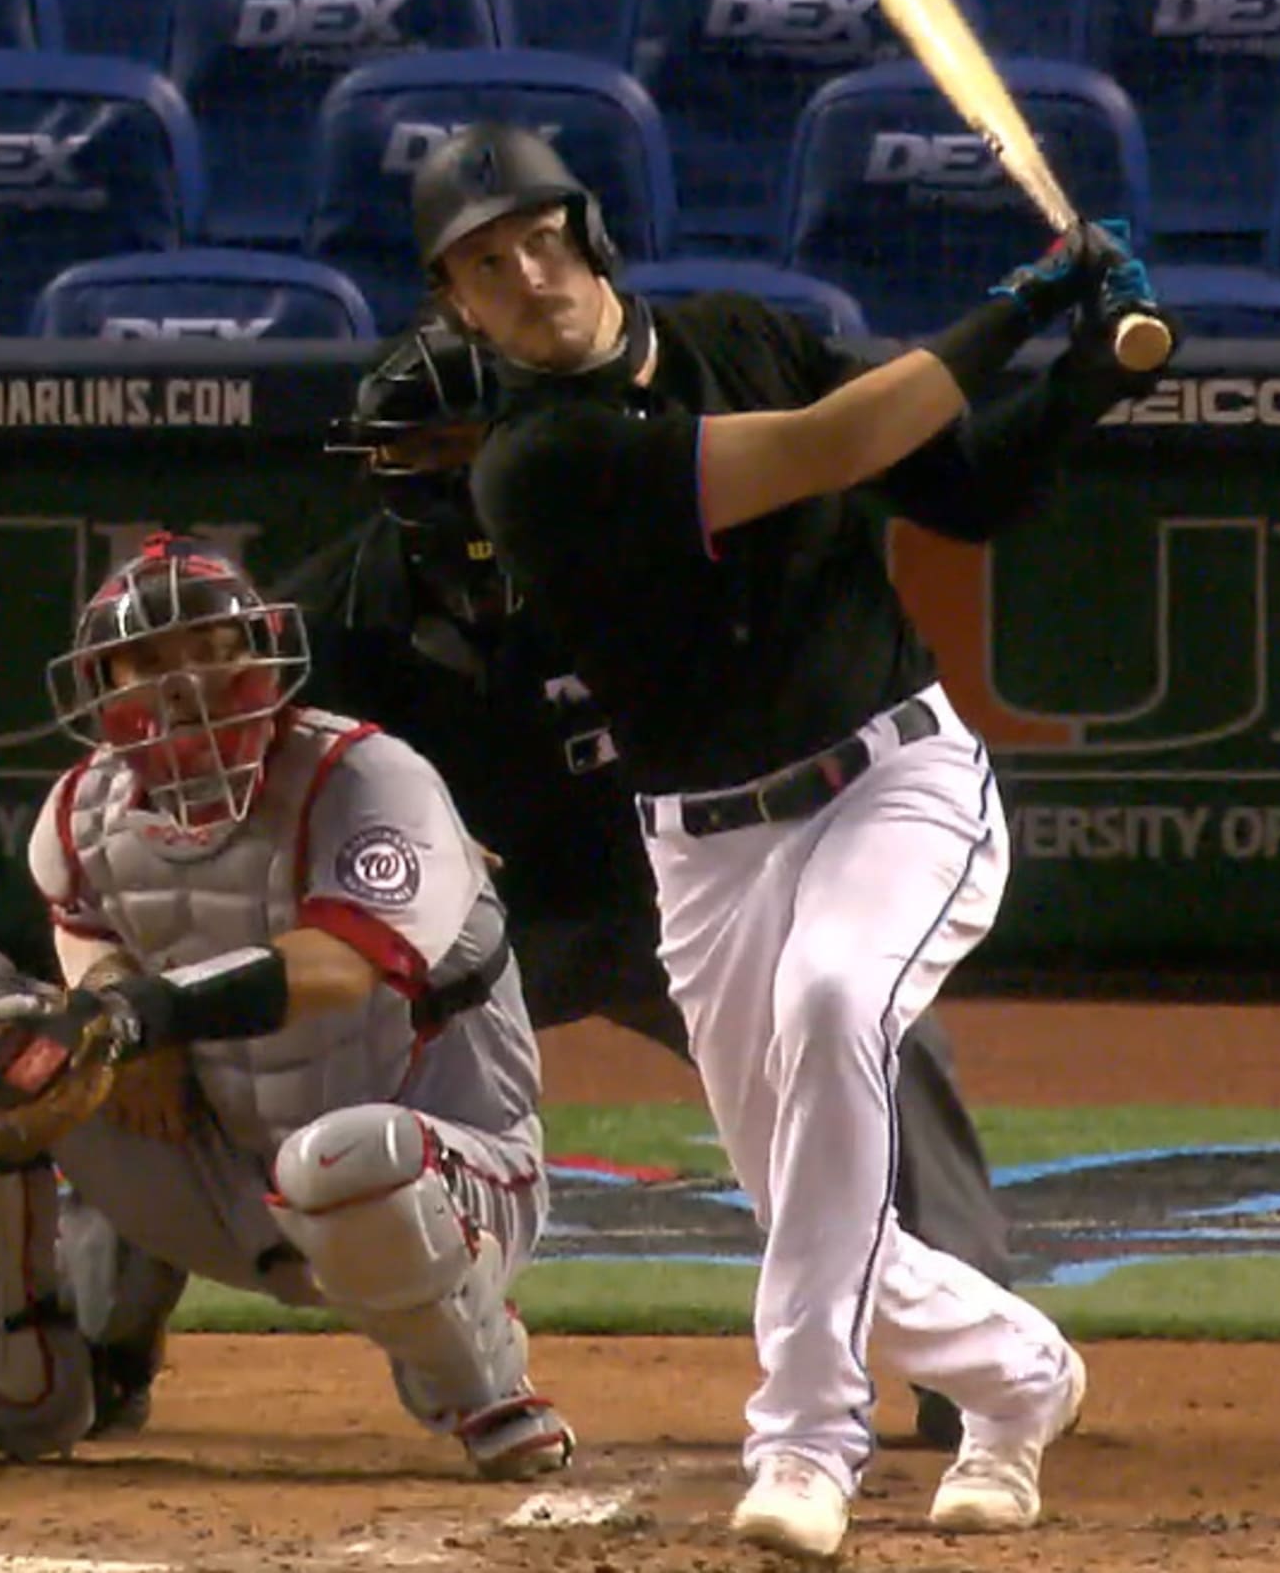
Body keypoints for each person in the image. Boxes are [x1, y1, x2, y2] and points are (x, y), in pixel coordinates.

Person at [57, 316, 1029, 1455]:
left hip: (672, 901)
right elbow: (202, 833)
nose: (458, 474)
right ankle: (101, 1346)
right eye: (425, 451)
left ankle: (964, 1368)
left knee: (877, 1036)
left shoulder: (652, 558)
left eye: (482, 440)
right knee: (191, 1021)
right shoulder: (328, 622)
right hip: (456, 942)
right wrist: (136, 993)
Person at [421, 122, 1167, 1559]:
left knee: (837, 1003)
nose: (524, 274)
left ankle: (806, 1442)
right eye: (481, 268)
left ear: (587, 233)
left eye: (535, 237)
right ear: (459, 310)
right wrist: (1036, 296)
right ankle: (1023, 1382)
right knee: (813, 1215)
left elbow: (964, 487)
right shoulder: (533, 464)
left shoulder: (744, 335)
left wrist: (1090, 372)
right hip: (704, 856)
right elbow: (840, 444)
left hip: (894, 785)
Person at [0, 533, 577, 1483]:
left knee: (343, 1156)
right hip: (225, 1181)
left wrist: (137, 1017)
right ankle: (17, 1384)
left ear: (262, 655)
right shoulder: (78, 815)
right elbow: (91, 942)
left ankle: (483, 1388)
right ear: (103, 684)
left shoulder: (367, 778)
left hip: (446, 1177)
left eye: (211, 648)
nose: (184, 686)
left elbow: (342, 966)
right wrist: (107, 1013)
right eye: (150, 662)